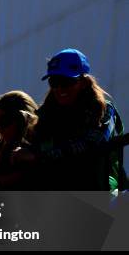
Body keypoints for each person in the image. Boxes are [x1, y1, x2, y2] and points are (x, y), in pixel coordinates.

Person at [34, 48, 126, 191]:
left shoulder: (104, 110)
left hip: (102, 197)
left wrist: (38, 157)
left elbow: (93, 143)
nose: (59, 88)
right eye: (54, 82)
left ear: (83, 82)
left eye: (65, 81)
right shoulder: (44, 117)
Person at [0, 90, 39, 190]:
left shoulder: (46, 143)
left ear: (22, 118)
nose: (0, 131)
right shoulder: (4, 152)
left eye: (4, 122)